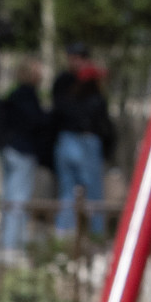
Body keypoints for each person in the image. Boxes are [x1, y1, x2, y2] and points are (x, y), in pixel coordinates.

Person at [50, 52, 115, 240]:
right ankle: (95, 236)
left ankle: (64, 237)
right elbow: (103, 124)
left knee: (68, 193)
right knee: (93, 194)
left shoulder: (68, 94)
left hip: (66, 142)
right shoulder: (95, 99)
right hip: (85, 143)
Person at [0, 68, 49, 255]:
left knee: (9, 196)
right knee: (18, 199)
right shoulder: (27, 96)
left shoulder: (14, 94)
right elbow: (34, 122)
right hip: (21, 152)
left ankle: (7, 240)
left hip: (8, 150)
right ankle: (11, 245)